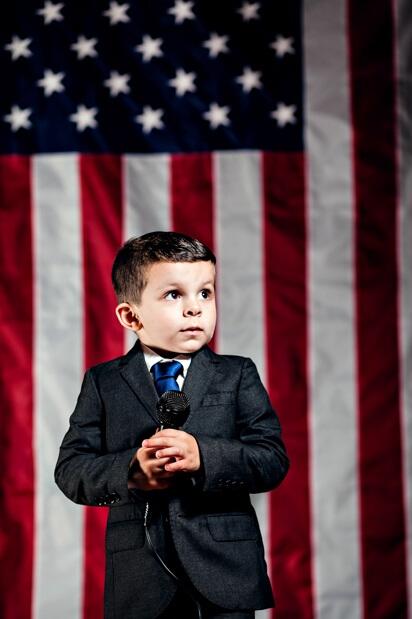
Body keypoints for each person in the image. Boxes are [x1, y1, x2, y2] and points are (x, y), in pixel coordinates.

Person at [55, 231, 289, 619]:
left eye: (205, 293)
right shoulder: (104, 382)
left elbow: (271, 459)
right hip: (140, 578)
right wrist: (130, 472)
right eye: (173, 295)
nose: (195, 308)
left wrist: (205, 456)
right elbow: (71, 469)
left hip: (225, 572)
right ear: (131, 315)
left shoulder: (236, 374)